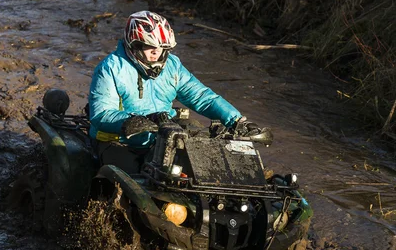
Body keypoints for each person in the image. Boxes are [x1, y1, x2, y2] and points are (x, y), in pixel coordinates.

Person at [88, 10, 265, 172]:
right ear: (134, 44)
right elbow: (101, 114)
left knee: (205, 168)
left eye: (162, 48)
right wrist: (139, 120)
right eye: (150, 47)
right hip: (119, 143)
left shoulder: (173, 66)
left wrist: (235, 120)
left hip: (163, 139)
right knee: (131, 183)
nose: (156, 53)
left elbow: (202, 97)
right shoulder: (110, 68)